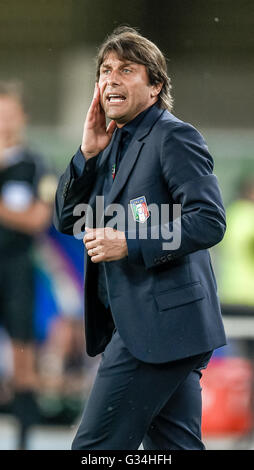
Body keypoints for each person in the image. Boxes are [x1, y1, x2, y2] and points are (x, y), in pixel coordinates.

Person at [54, 26, 227, 450]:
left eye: (126, 69)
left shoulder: (173, 136)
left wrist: (130, 243)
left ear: (155, 86)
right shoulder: (112, 145)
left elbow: (209, 219)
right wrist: (87, 155)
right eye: (105, 70)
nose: (110, 79)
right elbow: (66, 219)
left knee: (94, 450)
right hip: (158, 331)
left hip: (158, 328)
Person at [0, 81, 56, 448]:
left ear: (22, 116)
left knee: (24, 356)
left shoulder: (36, 165)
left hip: (17, 269)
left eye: (9, 112)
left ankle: (23, 439)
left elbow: (37, 219)